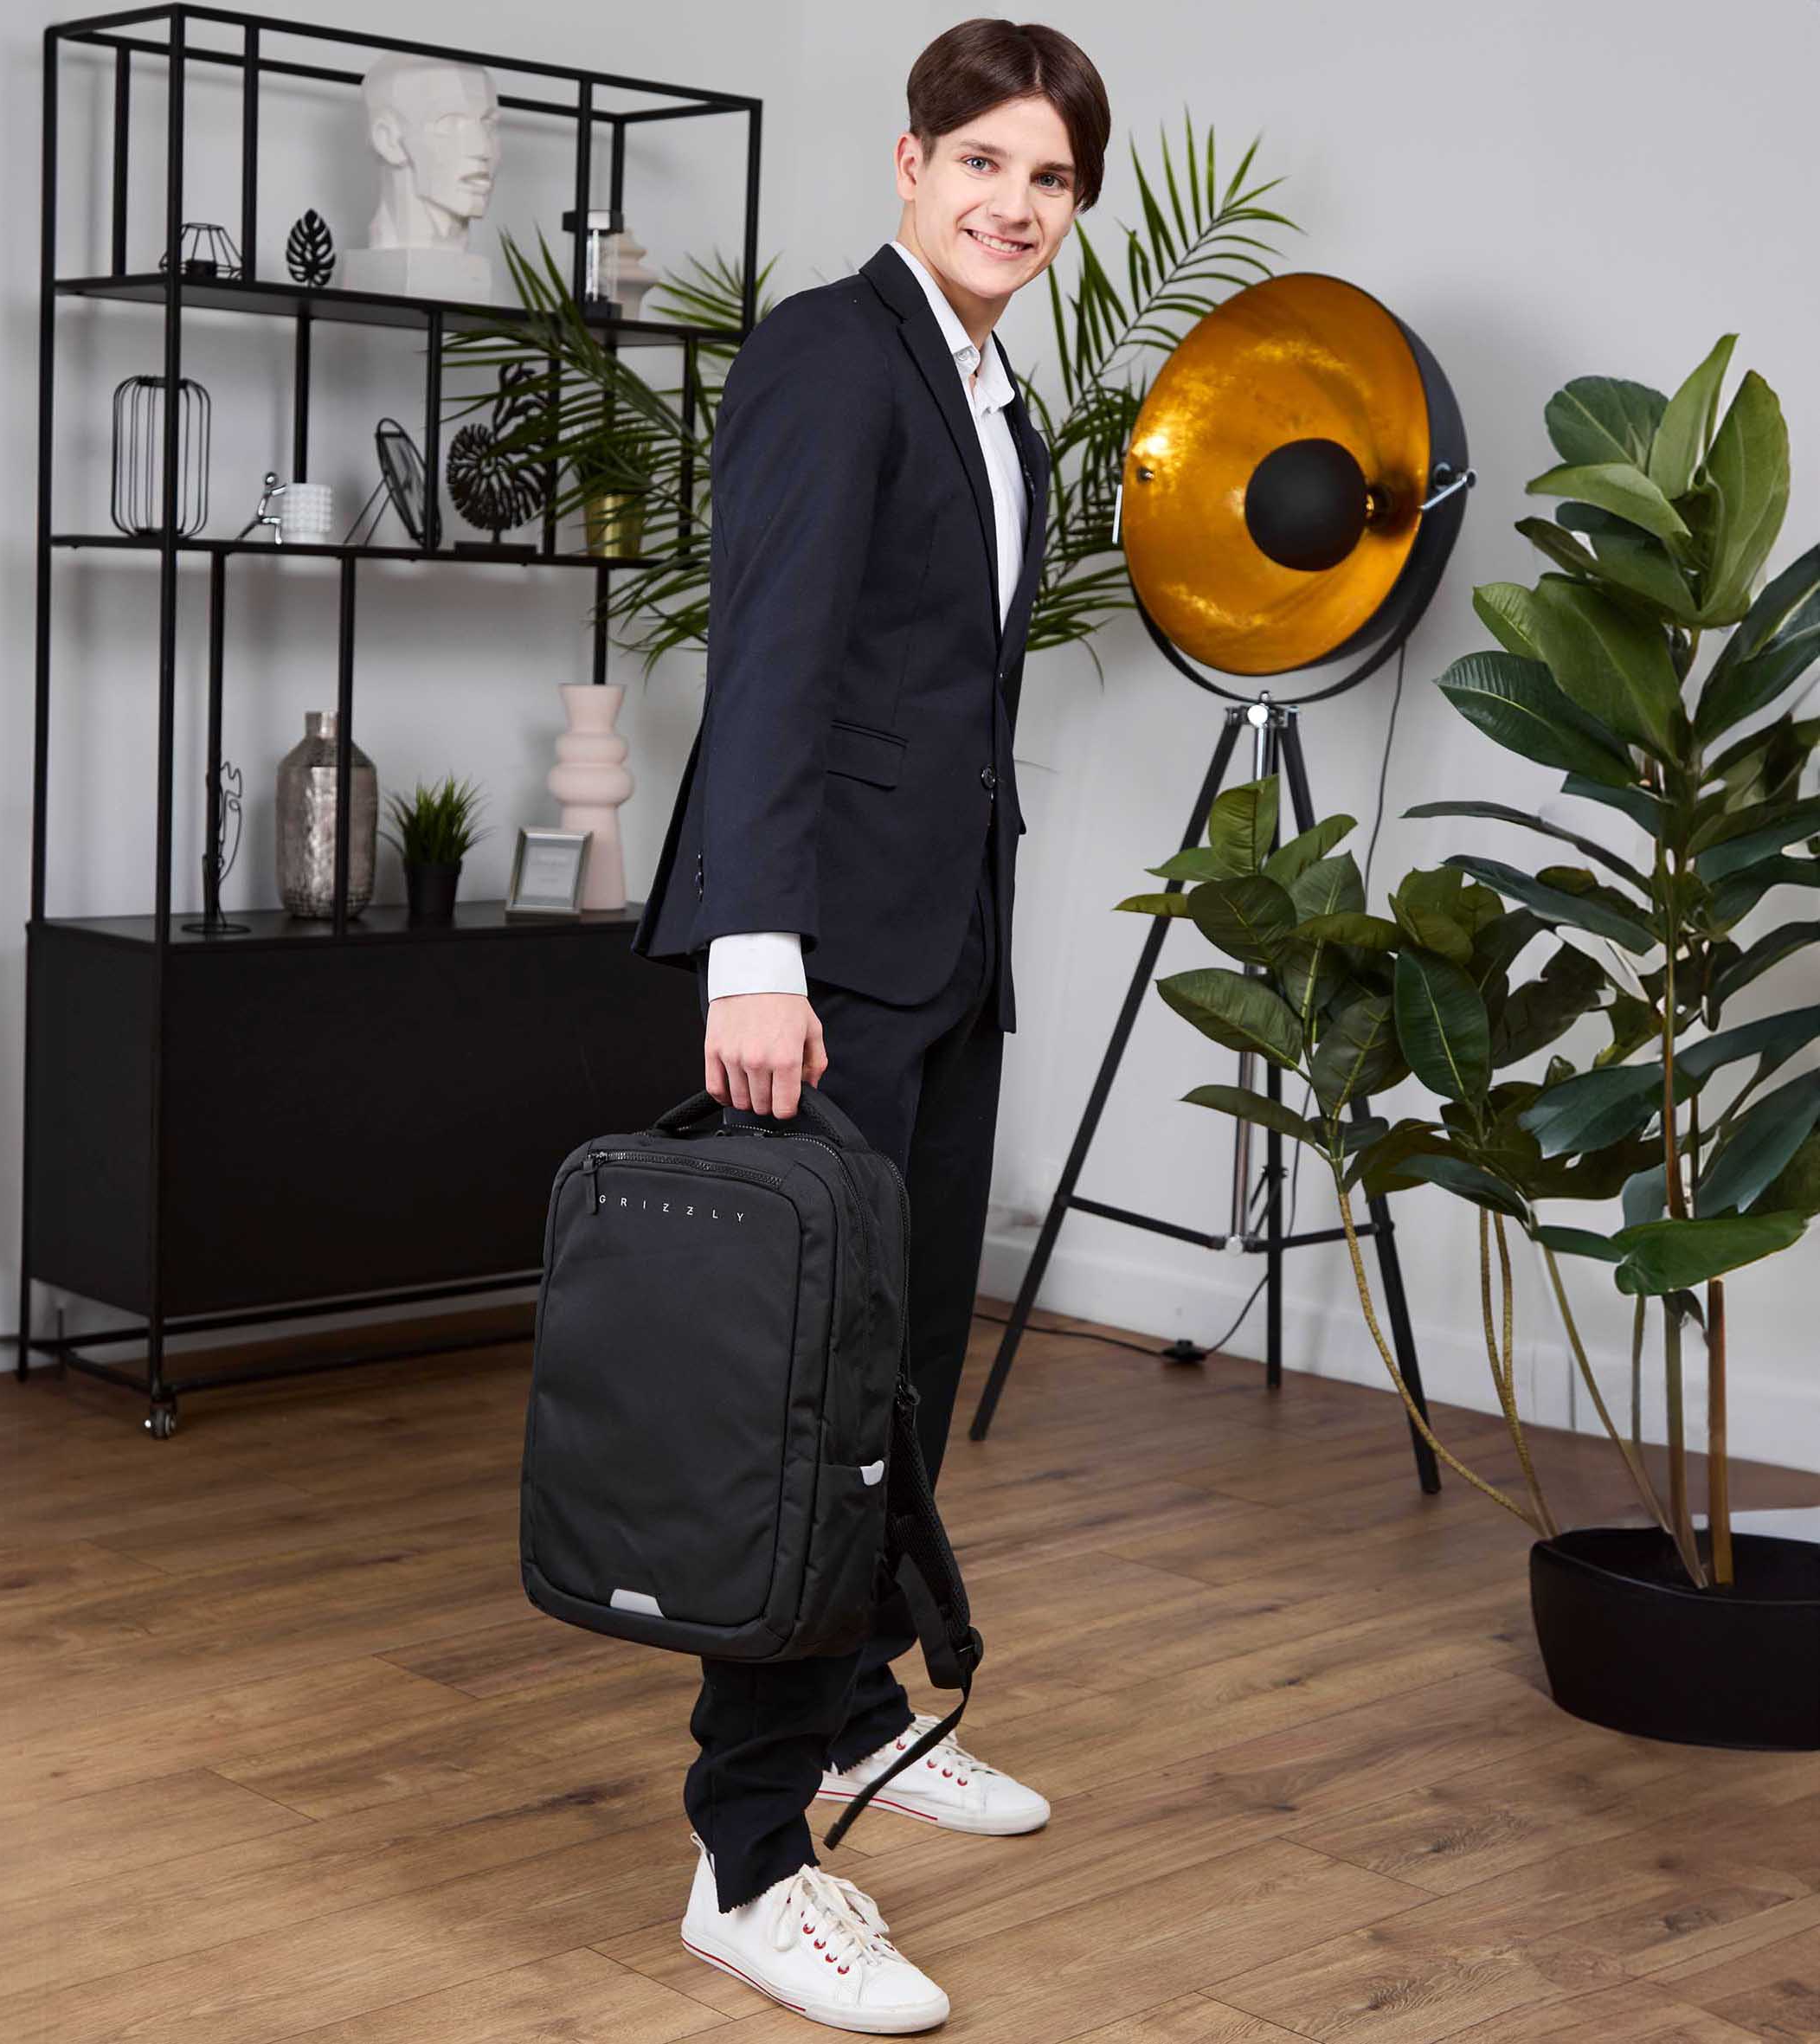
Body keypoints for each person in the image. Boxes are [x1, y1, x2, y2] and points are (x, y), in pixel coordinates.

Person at [628, 17, 1110, 2031]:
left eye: (1048, 178)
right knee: (797, 1401)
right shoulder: (834, 352)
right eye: (980, 160)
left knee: (896, 1365)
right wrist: (754, 955)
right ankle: (746, 1856)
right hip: (817, 967)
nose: (1012, 202)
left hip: (940, 952)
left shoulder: (997, 402)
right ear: (907, 165)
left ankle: (845, 1715)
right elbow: (772, 654)